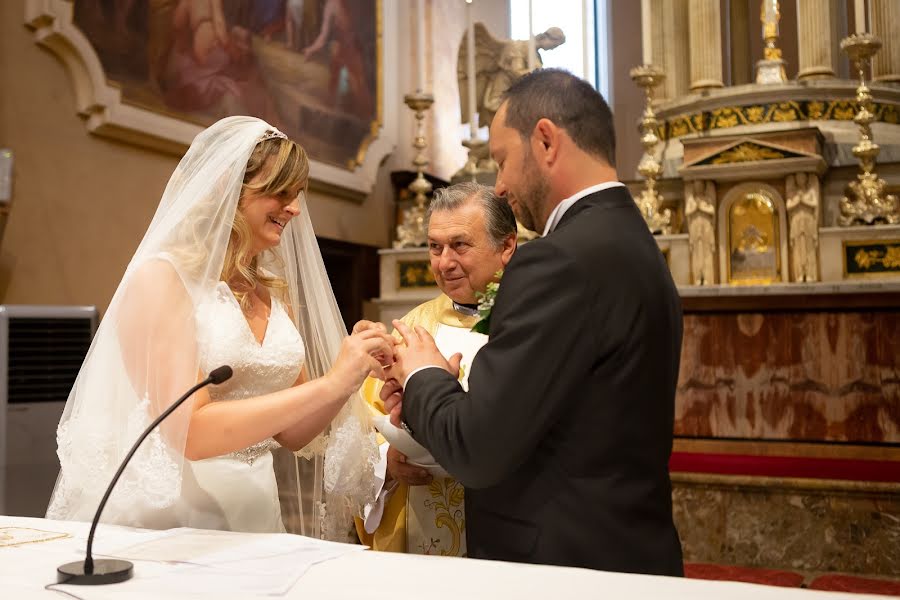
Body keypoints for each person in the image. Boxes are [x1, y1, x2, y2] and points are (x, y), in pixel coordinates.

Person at [380, 69, 684, 575]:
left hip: (559, 564)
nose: (500, 186)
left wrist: (421, 375)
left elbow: (478, 449)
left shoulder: (557, 261)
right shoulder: (634, 243)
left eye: (501, 160)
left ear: (545, 141)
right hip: (624, 549)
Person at [47, 116, 391, 540]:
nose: (295, 209)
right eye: (280, 192)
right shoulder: (162, 279)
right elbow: (188, 431)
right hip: (180, 515)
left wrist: (347, 376)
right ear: (228, 188)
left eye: (298, 195)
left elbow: (293, 433)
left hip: (254, 505)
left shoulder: (272, 291)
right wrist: (328, 385)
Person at [356, 182, 516, 555]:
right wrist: (388, 462)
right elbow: (365, 422)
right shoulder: (412, 329)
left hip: (509, 523)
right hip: (421, 523)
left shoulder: (531, 324)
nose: (444, 262)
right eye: (434, 247)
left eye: (460, 245)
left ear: (506, 246)